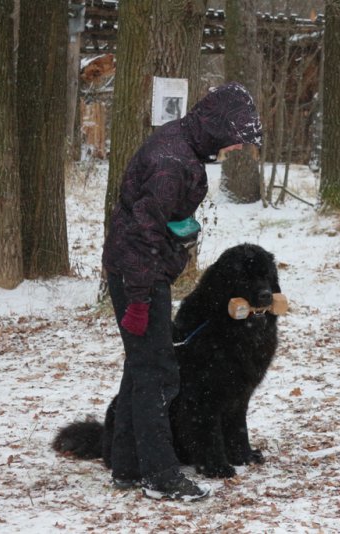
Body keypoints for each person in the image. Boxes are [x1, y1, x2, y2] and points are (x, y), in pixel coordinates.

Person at [101, 82, 263, 501]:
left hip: (143, 269)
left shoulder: (183, 148)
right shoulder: (171, 161)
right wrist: (138, 299)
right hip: (139, 273)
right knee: (158, 374)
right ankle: (160, 475)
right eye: (235, 140)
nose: (235, 149)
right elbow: (143, 234)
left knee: (142, 367)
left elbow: (154, 224)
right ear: (218, 127)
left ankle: (127, 465)